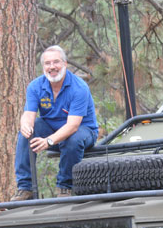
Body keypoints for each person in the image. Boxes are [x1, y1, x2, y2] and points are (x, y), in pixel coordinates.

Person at [12, 45, 98, 200]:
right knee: (28, 131)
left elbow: (73, 126)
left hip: (82, 131)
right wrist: (25, 125)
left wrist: (49, 140)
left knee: (74, 138)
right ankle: (25, 188)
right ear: (43, 67)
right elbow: (28, 114)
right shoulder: (35, 86)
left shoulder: (79, 88)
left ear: (65, 64)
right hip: (51, 130)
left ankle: (65, 186)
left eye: (56, 62)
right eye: (47, 63)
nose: (52, 67)